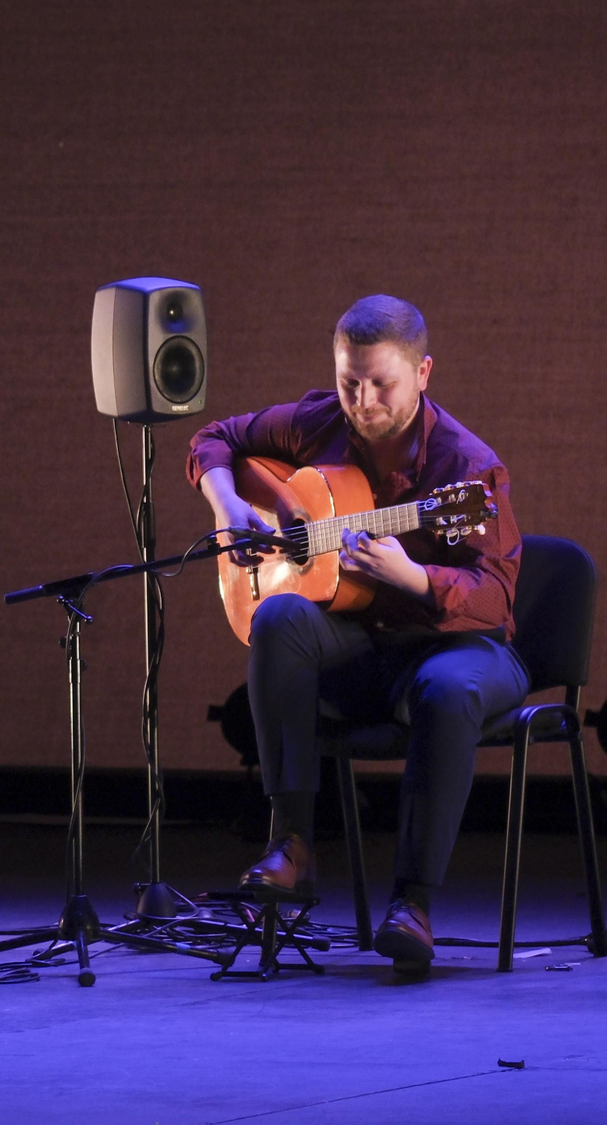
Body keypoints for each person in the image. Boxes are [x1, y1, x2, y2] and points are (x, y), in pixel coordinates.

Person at [187, 294, 524, 975]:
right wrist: (230, 508)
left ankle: (415, 905)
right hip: (362, 642)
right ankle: (293, 846)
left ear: (423, 372)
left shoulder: (466, 468)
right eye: (350, 382)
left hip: (459, 646)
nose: (362, 401)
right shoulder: (321, 421)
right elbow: (214, 438)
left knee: (447, 688)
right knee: (279, 617)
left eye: (381, 383)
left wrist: (418, 579)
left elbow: (497, 596)